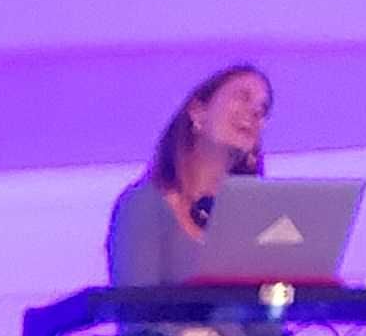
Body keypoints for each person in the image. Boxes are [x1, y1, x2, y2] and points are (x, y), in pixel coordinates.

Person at [106, 62, 271, 287]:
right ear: (198, 112)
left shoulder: (253, 221)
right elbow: (137, 315)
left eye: (262, 109)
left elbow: (266, 318)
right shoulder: (143, 204)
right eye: (243, 97)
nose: (255, 112)